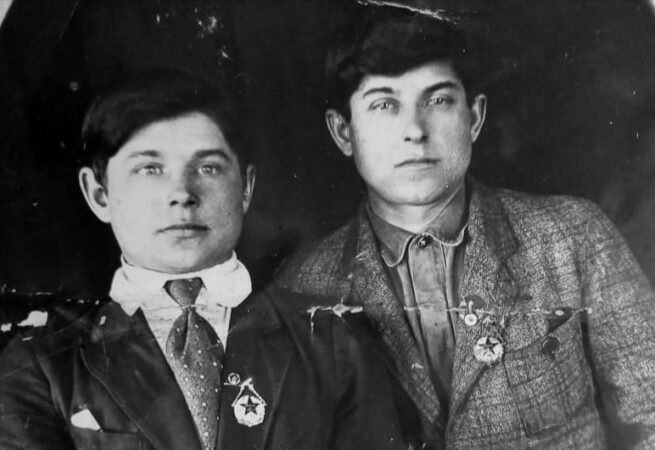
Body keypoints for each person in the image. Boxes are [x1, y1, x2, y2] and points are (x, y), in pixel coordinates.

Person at [276, 5, 655, 449]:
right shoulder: (305, 288)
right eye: (384, 104)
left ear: (474, 117)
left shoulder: (571, 236)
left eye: (438, 100)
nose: (414, 130)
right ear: (343, 132)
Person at [0, 69, 406, 450]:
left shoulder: (331, 339)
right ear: (99, 193)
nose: (182, 193)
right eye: (150, 169)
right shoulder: (44, 364)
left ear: (245, 188)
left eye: (208, 167)